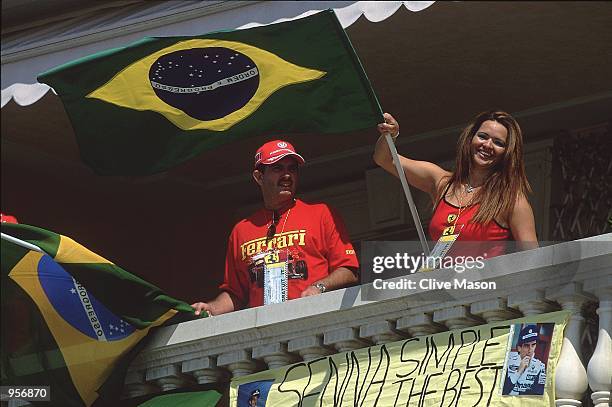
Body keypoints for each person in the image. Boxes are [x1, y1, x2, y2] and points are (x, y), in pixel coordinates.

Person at [192, 140, 359, 316]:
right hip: (265, 330)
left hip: (314, 318)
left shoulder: (321, 214)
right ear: (259, 177)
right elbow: (235, 293)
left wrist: (318, 287)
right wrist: (212, 308)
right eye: (278, 168)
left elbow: (349, 270)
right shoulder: (241, 230)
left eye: (292, 169)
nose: (287, 175)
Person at [374, 111, 538, 257]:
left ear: (507, 153)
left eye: (498, 142)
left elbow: (533, 261)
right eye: (482, 136)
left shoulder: (511, 200)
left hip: (485, 289)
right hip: (442, 287)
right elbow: (385, 159)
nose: (487, 145)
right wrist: (391, 134)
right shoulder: (442, 182)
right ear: (470, 138)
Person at [502, 324, 547, 395]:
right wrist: (519, 371)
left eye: (533, 345)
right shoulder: (508, 362)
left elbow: (538, 394)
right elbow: (504, 391)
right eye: (526, 346)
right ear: (519, 348)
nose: (530, 350)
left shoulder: (540, 366)